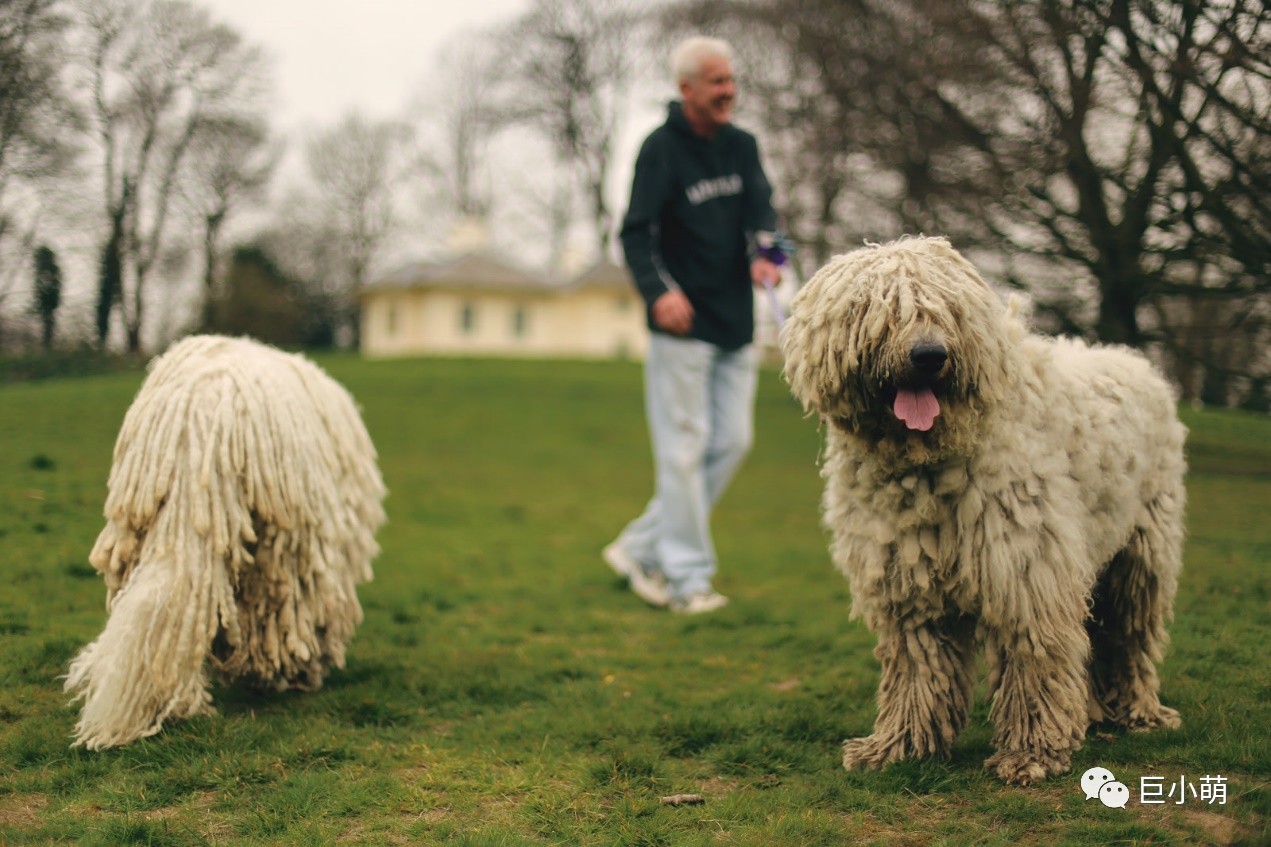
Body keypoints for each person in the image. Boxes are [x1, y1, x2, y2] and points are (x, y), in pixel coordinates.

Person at [604, 36, 780, 614]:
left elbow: (763, 217)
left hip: (735, 322)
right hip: (680, 328)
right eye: (716, 82)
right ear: (687, 90)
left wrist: (766, 256)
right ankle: (685, 580)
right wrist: (659, 293)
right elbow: (635, 232)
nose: (729, 91)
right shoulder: (660, 149)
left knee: (730, 443)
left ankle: (637, 545)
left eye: (731, 80)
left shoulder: (743, 146)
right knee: (683, 450)